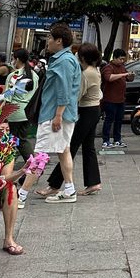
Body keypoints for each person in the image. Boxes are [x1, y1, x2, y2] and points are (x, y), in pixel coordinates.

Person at [17, 22, 81, 208]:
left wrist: (58, 115)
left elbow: (64, 90)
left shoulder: (64, 61)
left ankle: (21, 195)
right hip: (60, 114)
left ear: (59, 41)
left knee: (40, 154)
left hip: (55, 114)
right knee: (63, 151)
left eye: (51, 38)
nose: (48, 41)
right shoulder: (65, 59)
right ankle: (69, 189)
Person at [41, 42, 103, 197]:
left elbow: (76, 94)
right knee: (88, 147)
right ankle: (93, 182)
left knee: (69, 146)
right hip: (93, 110)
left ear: (82, 57)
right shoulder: (94, 70)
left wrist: (60, 111)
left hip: (86, 111)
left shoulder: (87, 73)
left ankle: (54, 185)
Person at [6, 48, 39, 164]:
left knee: (15, 141)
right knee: (20, 139)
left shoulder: (13, 76)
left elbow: (7, 98)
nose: (12, 61)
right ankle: (30, 167)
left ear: (18, 59)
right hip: (28, 113)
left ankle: (33, 165)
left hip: (14, 113)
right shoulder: (35, 76)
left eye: (13, 59)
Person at [101, 48, 133, 149]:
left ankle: (117, 139)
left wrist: (130, 76)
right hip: (110, 99)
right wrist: (124, 74)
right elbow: (109, 78)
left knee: (119, 120)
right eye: (120, 59)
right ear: (114, 58)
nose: (122, 61)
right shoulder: (108, 67)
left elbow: (129, 79)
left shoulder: (122, 67)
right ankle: (106, 140)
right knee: (109, 120)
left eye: (123, 59)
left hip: (121, 99)